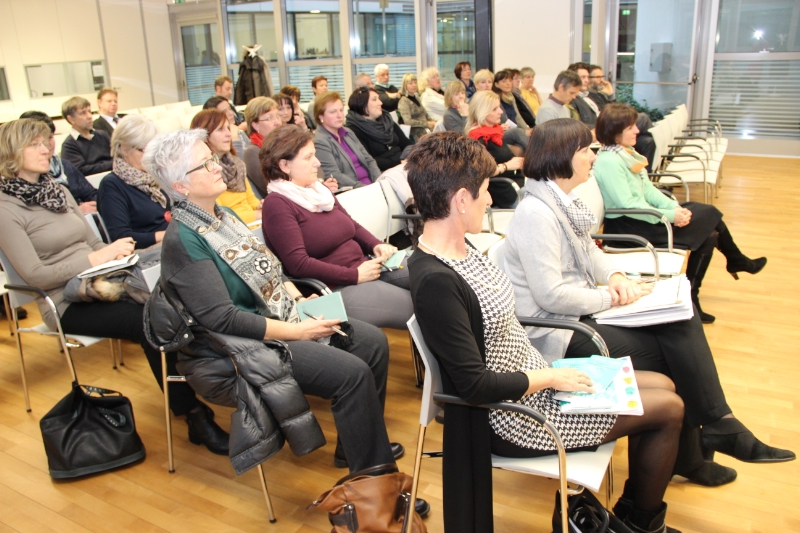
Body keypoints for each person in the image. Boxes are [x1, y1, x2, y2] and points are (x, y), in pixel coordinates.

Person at [406, 131, 685, 533]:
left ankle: (630, 513)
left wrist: (551, 374)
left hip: (538, 382)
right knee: (668, 409)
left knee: (665, 384)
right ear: (461, 200)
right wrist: (553, 378)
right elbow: (474, 385)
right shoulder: (437, 280)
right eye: (485, 190)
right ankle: (642, 523)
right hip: (517, 416)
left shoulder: (463, 249)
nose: (491, 200)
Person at [502, 118, 794, 489]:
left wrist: (616, 277)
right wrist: (612, 296)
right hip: (558, 332)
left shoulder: (558, 200)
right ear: (562, 157)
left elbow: (589, 252)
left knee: (679, 319)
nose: (594, 157)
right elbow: (551, 295)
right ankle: (705, 440)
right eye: (586, 150)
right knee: (675, 354)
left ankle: (713, 432)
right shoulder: (536, 214)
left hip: (579, 314)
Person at [146, 128, 420, 488]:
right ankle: (374, 484)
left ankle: (356, 446)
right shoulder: (185, 239)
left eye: (212, 158)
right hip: (240, 346)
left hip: (277, 317)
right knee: (352, 373)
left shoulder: (222, 215)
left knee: (372, 342)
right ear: (180, 186)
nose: (217, 166)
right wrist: (298, 331)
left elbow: (270, 269)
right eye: (205, 164)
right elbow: (222, 318)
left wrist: (298, 300)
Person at [0, 118, 227, 456]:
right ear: (11, 153)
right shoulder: (5, 208)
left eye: (45, 141)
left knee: (177, 298)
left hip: (103, 279)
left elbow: (92, 241)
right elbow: (35, 276)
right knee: (149, 322)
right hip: (63, 301)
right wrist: (97, 259)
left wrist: (112, 255)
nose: (46, 149)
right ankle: (193, 414)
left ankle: (217, 377)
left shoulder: (57, 191)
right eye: (34, 144)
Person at [593, 104, 767, 323]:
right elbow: (628, 205)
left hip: (643, 217)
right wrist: (670, 216)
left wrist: (674, 207)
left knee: (709, 231)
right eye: (631, 127)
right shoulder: (609, 161)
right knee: (710, 215)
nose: (638, 130)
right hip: (628, 226)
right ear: (615, 131)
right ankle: (734, 262)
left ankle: (697, 294)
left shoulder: (627, 154)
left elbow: (648, 190)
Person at [262, 126, 413, 330]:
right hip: (336, 285)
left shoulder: (319, 191)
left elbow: (352, 226)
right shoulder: (277, 204)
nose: (317, 163)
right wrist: (354, 275)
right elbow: (298, 264)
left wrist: (377, 245)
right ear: (284, 165)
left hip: (365, 265)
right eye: (308, 157)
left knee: (432, 275)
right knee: (416, 306)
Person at [98, 114, 169, 248]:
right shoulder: (111, 185)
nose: (151, 157)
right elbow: (121, 237)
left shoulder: (155, 176)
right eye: (145, 150)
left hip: (172, 244)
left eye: (154, 151)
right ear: (124, 149)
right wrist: (167, 235)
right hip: (149, 252)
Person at [191, 109, 262, 224]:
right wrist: (258, 215)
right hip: (235, 228)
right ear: (205, 137)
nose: (229, 134)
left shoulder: (236, 164)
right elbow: (220, 216)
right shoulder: (205, 173)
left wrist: (261, 206)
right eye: (220, 129)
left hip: (254, 224)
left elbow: (251, 200)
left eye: (228, 128)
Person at [19, 111, 97, 214]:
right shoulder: (24, 179)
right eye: (36, 143)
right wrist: (76, 210)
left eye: (50, 137)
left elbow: (91, 193)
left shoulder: (64, 165)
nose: (47, 145)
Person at [465, 90, 524, 208]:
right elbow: (479, 173)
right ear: (483, 112)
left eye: (499, 107)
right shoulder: (478, 138)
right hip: (503, 191)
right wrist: (507, 166)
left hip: (515, 183)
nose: (501, 111)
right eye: (495, 109)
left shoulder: (494, 131)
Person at [313, 92, 381, 189]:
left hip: (372, 184)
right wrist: (365, 188)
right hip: (353, 190)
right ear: (321, 116)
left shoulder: (348, 132)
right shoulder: (320, 141)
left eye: (341, 110)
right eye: (333, 112)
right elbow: (334, 175)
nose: (339, 115)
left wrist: (379, 182)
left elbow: (369, 160)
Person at [345, 87, 413, 172]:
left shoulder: (386, 120)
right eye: (374, 99)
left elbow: (407, 143)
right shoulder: (353, 130)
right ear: (362, 104)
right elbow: (368, 160)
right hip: (381, 172)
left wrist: (408, 157)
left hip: (403, 165)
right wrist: (398, 162)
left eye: (379, 99)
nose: (380, 103)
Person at [60, 96, 113, 175]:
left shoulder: (102, 135)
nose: (89, 116)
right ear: (71, 119)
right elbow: (81, 171)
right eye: (83, 113)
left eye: (89, 111)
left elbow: (118, 157)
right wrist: (112, 164)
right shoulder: (69, 145)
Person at [242, 96, 283, 197]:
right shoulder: (252, 153)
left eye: (278, 116)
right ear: (255, 125)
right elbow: (271, 187)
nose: (277, 122)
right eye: (269, 118)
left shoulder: (284, 143)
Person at [397, 74, 435, 142]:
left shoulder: (417, 97)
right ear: (405, 86)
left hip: (425, 128)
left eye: (415, 82)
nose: (414, 85)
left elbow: (425, 113)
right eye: (410, 83)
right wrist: (427, 124)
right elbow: (408, 121)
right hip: (415, 132)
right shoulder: (403, 101)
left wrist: (433, 122)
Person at [567, 62, 600, 129]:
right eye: (583, 77)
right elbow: (576, 126)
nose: (587, 80)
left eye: (588, 77)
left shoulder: (591, 95)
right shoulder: (571, 100)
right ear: (573, 79)